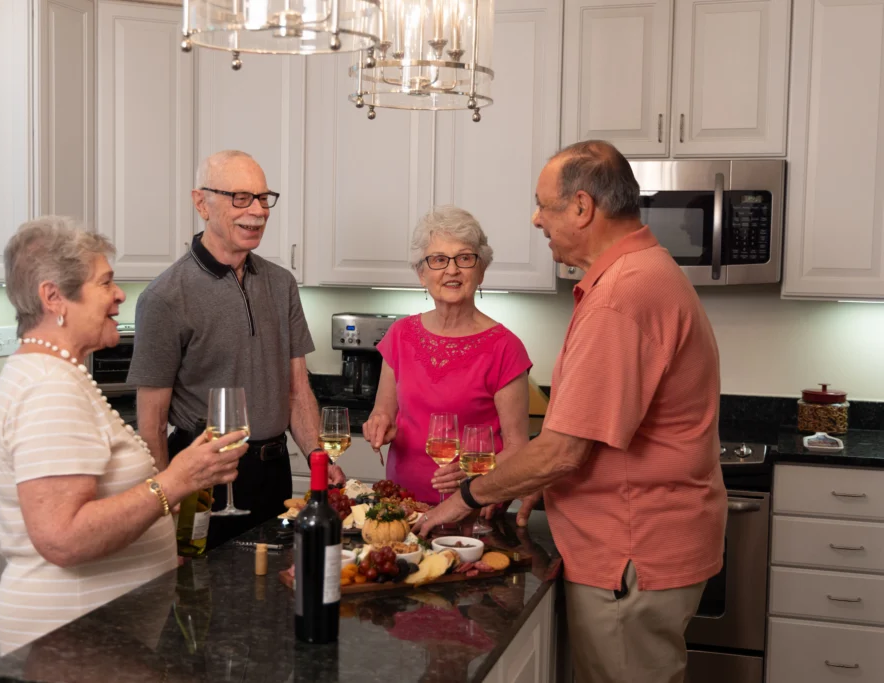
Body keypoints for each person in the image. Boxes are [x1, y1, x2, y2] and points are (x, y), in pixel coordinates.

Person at [416, 141, 728, 683]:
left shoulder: (621, 296)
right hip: (643, 546)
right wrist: (535, 481)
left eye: (545, 206)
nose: (536, 219)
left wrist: (464, 499)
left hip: (631, 551)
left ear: (583, 207)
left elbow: (563, 449)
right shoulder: (639, 273)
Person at [0, 217, 247, 655]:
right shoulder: (49, 387)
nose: (120, 294)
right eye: (105, 282)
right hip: (69, 637)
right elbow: (62, 538)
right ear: (54, 297)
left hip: (98, 632)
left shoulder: (58, 374)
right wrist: (176, 480)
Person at [129, 150, 341, 550]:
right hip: (203, 481)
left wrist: (319, 461)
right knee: (204, 600)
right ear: (200, 203)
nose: (258, 211)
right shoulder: (165, 296)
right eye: (241, 198)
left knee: (276, 597)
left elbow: (297, 391)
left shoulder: (281, 284)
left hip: (274, 475)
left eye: (263, 198)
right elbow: (152, 423)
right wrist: (167, 504)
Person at [362, 206, 532, 506]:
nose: (452, 270)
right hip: (402, 507)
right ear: (421, 272)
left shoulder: (506, 348)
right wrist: (378, 425)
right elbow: (383, 414)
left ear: (481, 270)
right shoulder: (400, 335)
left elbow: (518, 449)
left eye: (464, 258)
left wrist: (476, 477)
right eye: (439, 260)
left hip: (471, 510)